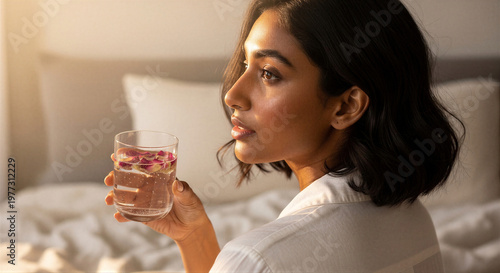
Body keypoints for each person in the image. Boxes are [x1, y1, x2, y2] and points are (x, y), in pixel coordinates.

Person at [104, 0, 463, 272]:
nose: (233, 95)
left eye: (269, 73)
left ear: (346, 106)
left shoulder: (260, 258)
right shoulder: (413, 220)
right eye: (246, 65)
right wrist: (194, 237)